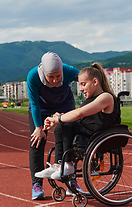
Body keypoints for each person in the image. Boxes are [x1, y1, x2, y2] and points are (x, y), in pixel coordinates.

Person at [35, 63, 120, 184]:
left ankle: (68, 165)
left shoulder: (106, 97)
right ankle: (58, 165)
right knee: (62, 125)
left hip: (99, 135)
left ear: (95, 82)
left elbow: (79, 113)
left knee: (66, 123)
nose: (80, 89)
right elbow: (77, 115)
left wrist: (59, 118)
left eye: (83, 84)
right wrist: (58, 120)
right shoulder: (91, 99)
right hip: (90, 132)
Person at [27, 52, 79, 200]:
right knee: (37, 142)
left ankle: (70, 180)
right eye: (51, 77)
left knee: (69, 139)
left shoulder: (69, 71)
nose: (55, 80)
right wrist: (38, 127)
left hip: (64, 105)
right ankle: (37, 185)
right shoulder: (33, 76)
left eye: (58, 76)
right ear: (43, 73)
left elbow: (85, 77)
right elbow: (35, 103)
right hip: (40, 109)